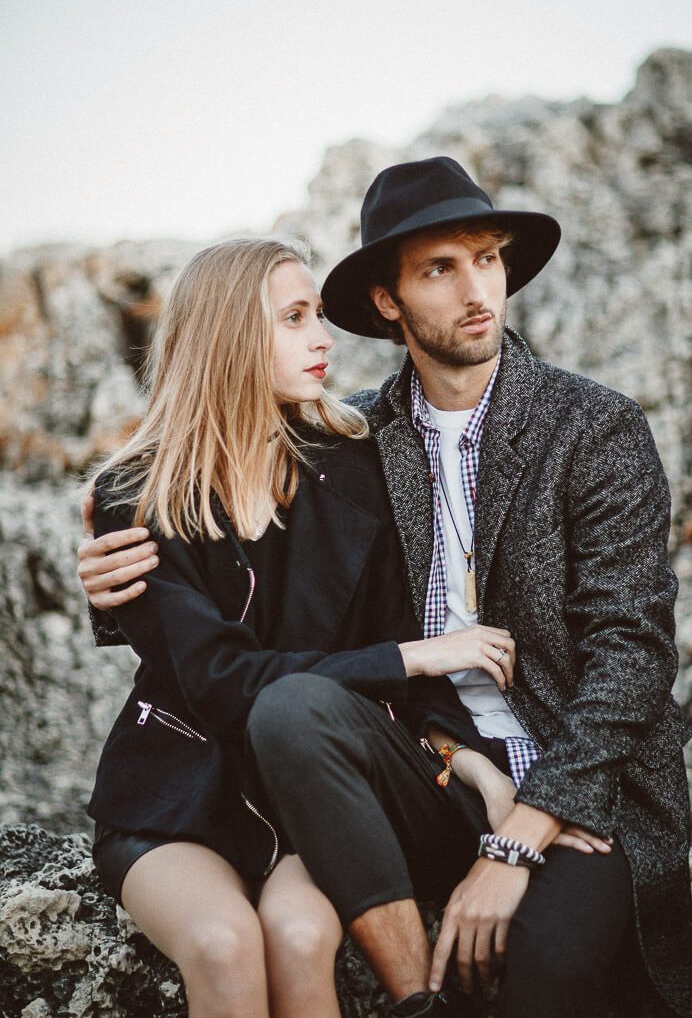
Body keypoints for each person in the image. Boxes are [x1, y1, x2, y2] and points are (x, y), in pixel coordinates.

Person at [79, 160, 692, 1018]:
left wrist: (523, 831)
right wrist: (109, 579)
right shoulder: (351, 440)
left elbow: (633, 653)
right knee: (293, 714)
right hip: (413, 766)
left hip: (569, 774)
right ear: (388, 301)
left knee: (544, 976)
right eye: (440, 268)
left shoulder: (593, 428)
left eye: (489, 259)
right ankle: (414, 997)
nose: (479, 290)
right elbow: (216, 505)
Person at [80, 234, 539, 1018]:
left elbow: (388, 660)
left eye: (317, 315)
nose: (324, 338)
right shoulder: (137, 495)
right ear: (229, 337)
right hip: (176, 797)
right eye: (294, 318)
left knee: (297, 932)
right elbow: (221, 684)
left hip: (311, 800)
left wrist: (468, 764)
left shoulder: (353, 463)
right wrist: (414, 657)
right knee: (224, 944)